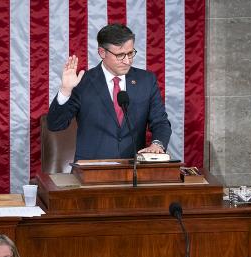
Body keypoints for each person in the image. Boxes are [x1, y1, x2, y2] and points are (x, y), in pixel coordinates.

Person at [47, 23, 172, 161]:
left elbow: (160, 121)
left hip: (133, 170)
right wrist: (65, 90)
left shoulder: (146, 81)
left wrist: (157, 144)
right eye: (120, 55)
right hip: (91, 173)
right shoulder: (83, 82)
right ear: (102, 52)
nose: (127, 61)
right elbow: (55, 124)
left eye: (130, 53)